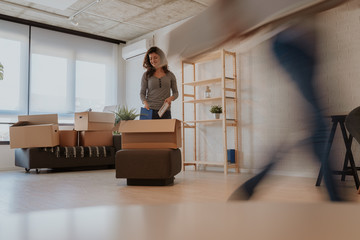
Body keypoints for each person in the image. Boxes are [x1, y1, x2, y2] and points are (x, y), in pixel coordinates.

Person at [166, 0, 347, 201]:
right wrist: (232, 22)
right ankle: (336, 200)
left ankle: (253, 186)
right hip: (292, 41)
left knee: (307, 127)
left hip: (304, 46)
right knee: (317, 127)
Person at [140, 46, 178, 119]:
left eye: (155, 57)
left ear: (161, 58)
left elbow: (176, 93)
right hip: (150, 111)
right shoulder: (146, 75)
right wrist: (145, 103)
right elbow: (142, 93)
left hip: (165, 111)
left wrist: (171, 98)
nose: (153, 60)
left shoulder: (170, 75)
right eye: (150, 58)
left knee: (165, 130)